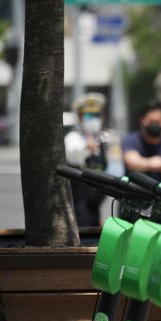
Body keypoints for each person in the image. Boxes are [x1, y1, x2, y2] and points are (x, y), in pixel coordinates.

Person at [64, 92, 109, 227]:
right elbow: (73, 153)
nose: (93, 120)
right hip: (77, 207)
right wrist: (86, 147)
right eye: (89, 116)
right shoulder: (74, 138)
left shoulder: (102, 141)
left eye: (97, 116)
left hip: (94, 207)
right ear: (80, 117)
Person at [121, 100, 161, 182]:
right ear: (142, 120)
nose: (154, 124)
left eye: (157, 121)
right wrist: (150, 163)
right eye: (151, 121)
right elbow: (131, 162)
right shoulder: (132, 140)